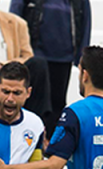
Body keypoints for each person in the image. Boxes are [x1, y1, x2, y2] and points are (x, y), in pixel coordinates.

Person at [10, 0, 91, 136]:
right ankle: (28, 140)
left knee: (57, 104)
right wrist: (16, 50)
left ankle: (52, 147)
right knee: (32, 101)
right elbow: (14, 18)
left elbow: (85, 20)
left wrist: (81, 57)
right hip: (33, 56)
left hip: (64, 55)